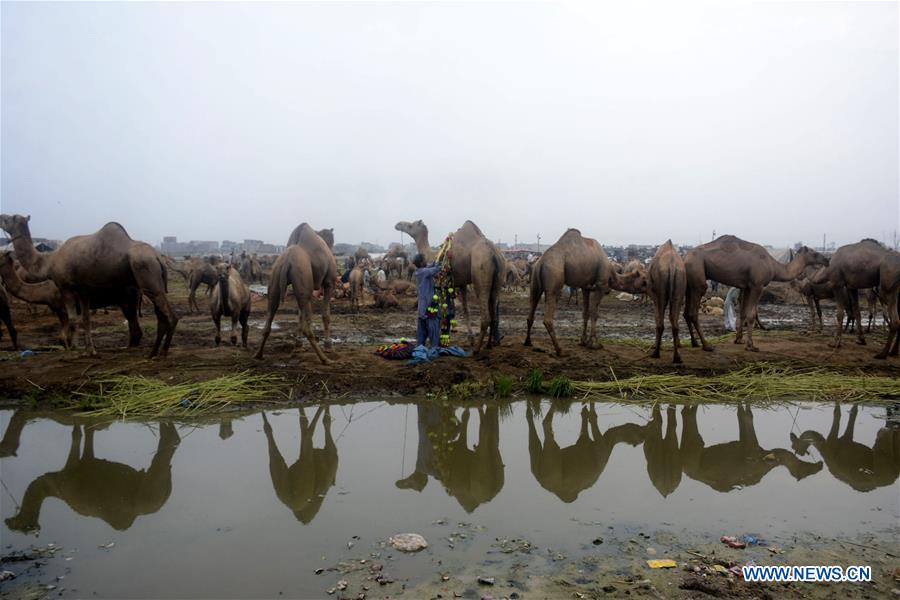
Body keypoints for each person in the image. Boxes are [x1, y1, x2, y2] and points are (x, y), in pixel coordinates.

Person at [413, 254, 441, 348]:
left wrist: (436, 260)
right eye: (424, 260)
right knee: (433, 328)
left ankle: (420, 347)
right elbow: (436, 269)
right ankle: (434, 347)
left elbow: (430, 266)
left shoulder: (419, 271)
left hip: (422, 307)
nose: (426, 261)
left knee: (422, 330)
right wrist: (441, 262)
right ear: (421, 263)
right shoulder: (425, 272)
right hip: (429, 306)